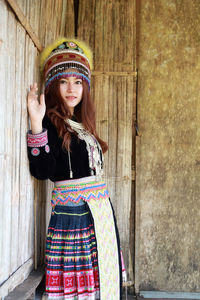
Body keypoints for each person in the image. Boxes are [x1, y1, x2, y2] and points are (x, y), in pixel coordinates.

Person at [27, 38, 126, 300]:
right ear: (52, 85)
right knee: (79, 293)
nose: (72, 89)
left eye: (78, 82)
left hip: (99, 217)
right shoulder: (50, 120)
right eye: (63, 81)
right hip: (73, 221)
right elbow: (43, 170)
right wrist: (36, 124)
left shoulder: (81, 123)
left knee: (100, 288)